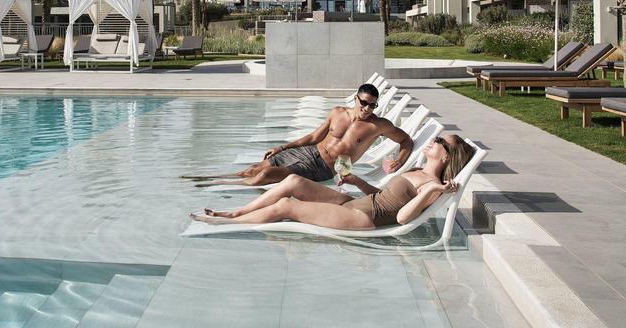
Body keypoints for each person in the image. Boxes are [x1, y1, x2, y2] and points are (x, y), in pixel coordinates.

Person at [193, 134, 475, 229]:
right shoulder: (417, 171)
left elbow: (401, 217)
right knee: (293, 180)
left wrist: (434, 190)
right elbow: (385, 195)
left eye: (440, 141)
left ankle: (226, 221)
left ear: (448, 157)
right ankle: (239, 211)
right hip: (360, 202)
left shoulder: (431, 185)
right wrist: (356, 180)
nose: (433, 140)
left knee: (288, 206)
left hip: (365, 218)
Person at [186, 83, 413, 187]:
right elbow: (313, 137)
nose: (366, 109)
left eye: (372, 106)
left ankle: (223, 184)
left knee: (269, 175)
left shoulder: (378, 125)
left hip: (324, 167)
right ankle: (213, 178)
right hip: (309, 152)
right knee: (257, 168)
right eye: (364, 103)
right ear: (356, 98)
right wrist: (283, 147)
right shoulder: (337, 112)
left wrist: (399, 160)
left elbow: (406, 141)